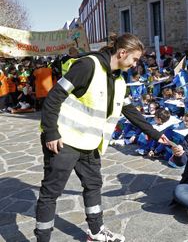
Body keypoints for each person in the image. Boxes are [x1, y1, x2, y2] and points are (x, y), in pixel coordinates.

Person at [34, 34, 166, 242]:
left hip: (90, 144)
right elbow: (55, 96)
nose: (135, 64)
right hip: (63, 141)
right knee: (51, 192)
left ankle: (96, 232)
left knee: (94, 185)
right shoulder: (88, 66)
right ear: (122, 53)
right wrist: (51, 131)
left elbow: (130, 112)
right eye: (134, 59)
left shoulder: (119, 81)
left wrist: (157, 135)